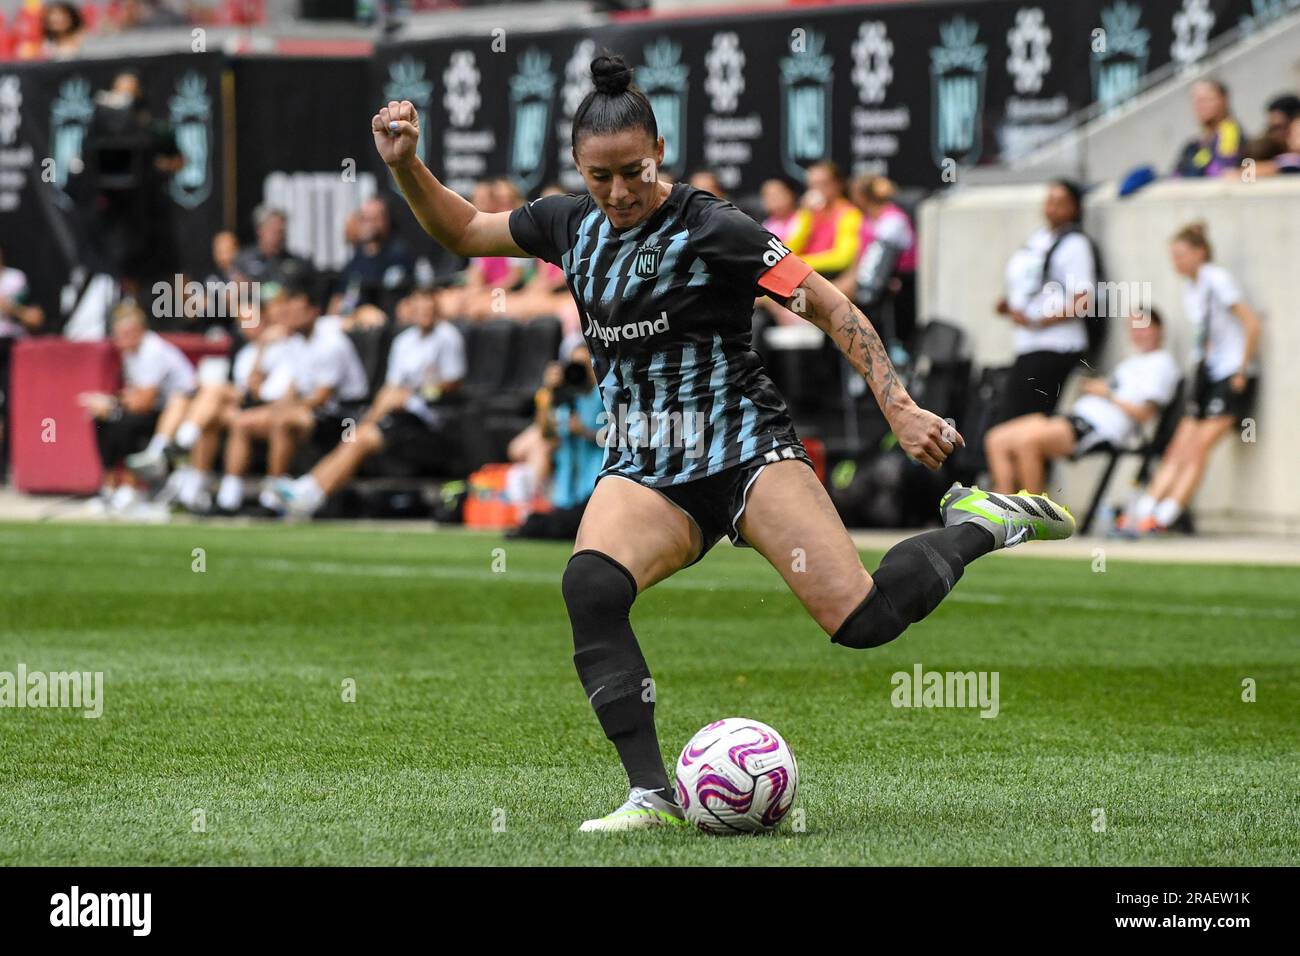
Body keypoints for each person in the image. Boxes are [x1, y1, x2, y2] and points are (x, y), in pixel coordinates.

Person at [371, 54, 1075, 832]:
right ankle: (649, 795)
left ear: (660, 151)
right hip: (646, 467)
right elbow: (464, 229)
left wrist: (899, 406)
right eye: (599, 177)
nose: (619, 192)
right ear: (577, 169)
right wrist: (409, 166)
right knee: (591, 590)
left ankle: (981, 522)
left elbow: (832, 306)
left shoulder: (714, 226)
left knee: (863, 622)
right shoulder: (566, 222)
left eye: (633, 172)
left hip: (744, 452)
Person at [265, 287, 466, 517]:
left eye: (428, 304)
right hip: (399, 416)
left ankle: (309, 494)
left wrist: (420, 390)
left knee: (364, 433)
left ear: (436, 306)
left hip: (431, 419)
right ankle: (307, 489)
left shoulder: (448, 336)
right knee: (361, 433)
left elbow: (453, 383)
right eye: (418, 304)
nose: (423, 310)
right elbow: (392, 385)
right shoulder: (403, 341)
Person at [1117, 223, 1261, 536]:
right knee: (1178, 446)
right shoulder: (1190, 288)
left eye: (1181, 255)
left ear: (1201, 252)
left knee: (1198, 448)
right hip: (1207, 376)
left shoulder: (1217, 280)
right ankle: (1142, 512)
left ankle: (1164, 516)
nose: (1176, 262)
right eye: (1173, 256)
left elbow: (1251, 323)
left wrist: (1241, 369)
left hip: (1231, 375)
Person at [984, 308, 1179, 495]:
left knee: (1027, 443)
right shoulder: (1130, 363)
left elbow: (1145, 414)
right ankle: (1004, 505)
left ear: (1158, 329)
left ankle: (1035, 516)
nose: (1137, 334)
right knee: (996, 438)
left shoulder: (1162, 364)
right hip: (1075, 417)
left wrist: (1107, 393)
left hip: (1096, 428)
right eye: (1133, 328)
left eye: (1143, 327)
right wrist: (1096, 388)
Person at [995, 179, 1096, 424]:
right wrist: (1009, 308)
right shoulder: (1037, 240)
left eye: (1060, 202)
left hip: (1054, 347)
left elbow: (1083, 301)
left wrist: (1039, 321)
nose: (1052, 208)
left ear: (1074, 208)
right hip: (1028, 345)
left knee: (1026, 424)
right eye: (1049, 201)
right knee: (1011, 424)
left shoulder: (1075, 245)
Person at [80, 305, 195, 513]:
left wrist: (113, 404)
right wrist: (109, 403)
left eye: (129, 334)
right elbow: (133, 393)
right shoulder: (130, 353)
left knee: (126, 422)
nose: (123, 340)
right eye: (120, 335)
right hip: (156, 408)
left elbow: (145, 401)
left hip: (177, 412)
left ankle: (130, 487)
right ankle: (109, 487)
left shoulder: (153, 350)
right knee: (102, 419)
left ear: (141, 330)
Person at [840, 174, 918, 351]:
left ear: (860, 196)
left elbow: (878, 261)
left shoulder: (893, 221)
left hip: (897, 282)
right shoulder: (866, 219)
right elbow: (860, 259)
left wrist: (849, 286)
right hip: (873, 278)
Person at [784, 161, 862, 277]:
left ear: (838, 184)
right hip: (804, 275)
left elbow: (842, 259)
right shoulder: (807, 213)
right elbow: (788, 250)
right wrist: (805, 215)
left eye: (823, 184)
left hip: (829, 277)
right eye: (812, 185)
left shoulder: (849, 214)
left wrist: (798, 263)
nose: (817, 190)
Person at [1173, 79, 1244, 178]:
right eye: (1196, 101)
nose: (1200, 106)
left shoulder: (1229, 132)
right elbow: (1176, 175)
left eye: (1205, 100)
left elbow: (1222, 171)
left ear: (1223, 100)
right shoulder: (1194, 145)